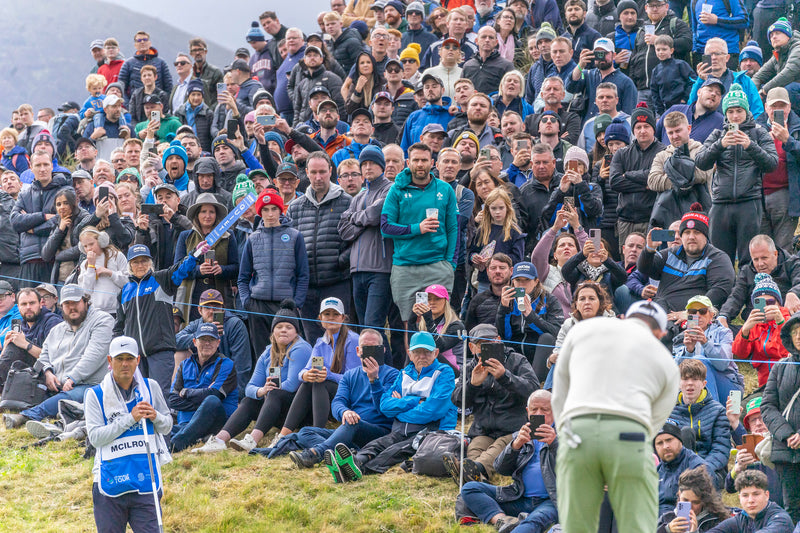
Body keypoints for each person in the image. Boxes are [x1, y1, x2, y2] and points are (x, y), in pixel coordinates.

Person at [551, 300, 680, 533]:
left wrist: (566, 432)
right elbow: (656, 419)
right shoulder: (665, 359)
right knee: (637, 525)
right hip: (630, 432)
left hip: (577, 428)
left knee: (576, 526)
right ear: (660, 333)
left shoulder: (583, 330)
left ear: (623, 319)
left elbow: (559, 392)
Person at [325, 331, 457, 481]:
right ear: (410, 353)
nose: (422, 356)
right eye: (417, 352)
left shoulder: (444, 373)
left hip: (430, 430)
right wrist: (414, 401)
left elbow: (433, 410)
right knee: (377, 444)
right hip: (400, 429)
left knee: (394, 450)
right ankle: (353, 462)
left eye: (426, 352)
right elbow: (385, 406)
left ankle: (358, 469)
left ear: (436, 353)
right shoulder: (404, 373)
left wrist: (399, 409)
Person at [193, 301, 312, 453]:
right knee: (249, 400)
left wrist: (269, 390)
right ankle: (219, 440)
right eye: (279, 327)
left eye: (289, 327)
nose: (283, 330)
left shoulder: (301, 348)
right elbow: (250, 387)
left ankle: (252, 440)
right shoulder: (268, 352)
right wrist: (261, 391)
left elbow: (292, 385)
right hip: (276, 407)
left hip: (299, 411)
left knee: (275, 393)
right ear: (273, 331)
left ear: (296, 332)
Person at [84, 336, 172, 533]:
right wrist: (130, 419)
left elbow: (167, 427)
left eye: (130, 358)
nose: (125, 364)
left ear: (138, 361)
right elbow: (96, 438)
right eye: (119, 358)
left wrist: (156, 416)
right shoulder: (95, 394)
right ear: (109, 361)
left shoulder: (151, 387)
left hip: (145, 481)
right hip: (110, 483)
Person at [3, 284, 114, 429]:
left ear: (86, 301)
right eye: (67, 303)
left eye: (75, 302)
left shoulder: (102, 321)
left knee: (69, 397)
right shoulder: (58, 329)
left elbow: (94, 355)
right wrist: (48, 372)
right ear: (62, 305)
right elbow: (44, 356)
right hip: (56, 384)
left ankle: (26, 416)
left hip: (89, 384)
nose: (71, 307)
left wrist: (72, 378)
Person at [287, 328, 400, 469]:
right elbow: (338, 402)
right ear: (358, 350)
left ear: (382, 350)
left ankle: (315, 453)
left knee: (353, 423)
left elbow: (385, 410)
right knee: (306, 432)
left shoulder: (394, 375)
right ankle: (345, 451)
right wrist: (344, 412)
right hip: (350, 427)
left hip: (379, 431)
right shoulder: (350, 375)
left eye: (374, 347)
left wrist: (374, 380)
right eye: (366, 347)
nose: (370, 350)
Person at [696, 84, 778, 264]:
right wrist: (720, 145)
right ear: (725, 113)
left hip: (749, 202)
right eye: (730, 111)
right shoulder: (718, 134)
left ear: (746, 111)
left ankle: (747, 292)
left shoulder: (759, 132)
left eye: (739, 110)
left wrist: (750, 145)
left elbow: (772, 163)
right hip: (720, 204)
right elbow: (701, 162)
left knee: (748, 260)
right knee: (719, 260)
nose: (735, 116)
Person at [456, 389, 558, 532]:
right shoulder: (521, 435)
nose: (538, 413)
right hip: (519, 496)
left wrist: (554, 443)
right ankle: (503, 520)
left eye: (545, 410)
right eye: (534, 409)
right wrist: (515, 446)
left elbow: (577, 468)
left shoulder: (565, 435)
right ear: (528, 411)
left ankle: (517, 523)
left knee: (534, 522)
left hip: (550, 501)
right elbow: (500, 468)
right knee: (469, 488)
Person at [448, 325, 538, 482]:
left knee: (498, 448)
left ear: (499, 341)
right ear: (472, 347)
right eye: (481, 344)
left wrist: (505, 377)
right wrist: (472, 385)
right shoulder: (470, 368)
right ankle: (475, 477)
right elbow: (457, 401)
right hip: (484, 429)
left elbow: (534, 390)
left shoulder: (516, 360)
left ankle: (473, 472)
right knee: (475, 448)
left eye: (490, 342)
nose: (485, 348)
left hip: (513, 428)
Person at [381, 143, 458, 326]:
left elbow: (453, 228)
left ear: (432, 163)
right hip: (406, 267)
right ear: (408, 162)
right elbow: (386, 227)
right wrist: (417, 228)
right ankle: (411, 357)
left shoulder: (445, 189)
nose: (420, 164)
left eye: (424, 160)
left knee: (440, 323)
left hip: (438, 266)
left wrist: (450, 264)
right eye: (416, 160)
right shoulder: (397, 189)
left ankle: (440, 355)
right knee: (410, 323)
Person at [113, 243, 200, 401]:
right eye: (136, 262)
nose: (140, 265)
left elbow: (181, 269)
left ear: (150, 263)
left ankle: (164, 426)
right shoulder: (124, 291)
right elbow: (119, 327)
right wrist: (116, 353)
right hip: (135, 356)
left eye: (144, 261)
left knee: (159, 397)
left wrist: (195, 254)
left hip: (160, 352)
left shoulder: (162, 279)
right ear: (130, 265)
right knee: (138, 398)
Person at [287, 152, 352, 341]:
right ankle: (316, 372)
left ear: (331, 171)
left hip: (337, 282)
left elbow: (355, 240)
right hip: (307, 286)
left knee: (339, 338)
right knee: (312, 339)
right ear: (306, 173)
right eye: (313, 172)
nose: (318, 177)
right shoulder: (296, 207)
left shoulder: (347, 201)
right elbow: (291, 245)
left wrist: (340, 261)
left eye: (323, 172)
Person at [276, 297, 360, 442]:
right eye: (327, 314)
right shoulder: (321, 342)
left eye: (335, 314)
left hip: (351, 396)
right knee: (311, 381)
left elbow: (355, 379)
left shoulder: (353, 340)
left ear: (343, 318)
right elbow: (303, 371)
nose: (331, 318)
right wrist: (306, 375)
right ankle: (282, 436)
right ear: (320, 318)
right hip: (328, 393)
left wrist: (329, 375)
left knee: (320, 382)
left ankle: (315, 435)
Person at [238, 189, 309, 359]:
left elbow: (303, 274)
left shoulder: (294, 236)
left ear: (280, 210)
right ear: (260, 211)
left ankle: (286, 385)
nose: (270, 214)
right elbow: (243, 277)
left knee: (288, 353)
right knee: (263, 354)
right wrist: (247, 302)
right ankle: (266, 385)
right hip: (258, 305)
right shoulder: (253, 239)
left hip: (285, 305)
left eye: (274, 209)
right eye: (265, 209)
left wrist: (297, 302)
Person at [638, 206, 735, 315]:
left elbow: (720, 290)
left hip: (696, 318)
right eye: (687, 232)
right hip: (663, 314)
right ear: (682, 235)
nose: (691, 237)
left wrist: (691, 312)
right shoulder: (669, 253)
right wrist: (649, 249)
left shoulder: (717, 257)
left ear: (706, 236)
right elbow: (644, 268)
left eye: (697, 232)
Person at [168, 323, 237, 453]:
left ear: (218, 343)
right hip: (186, 424)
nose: (207, 343)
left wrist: (187, 392)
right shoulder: (184, 364)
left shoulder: (226, 364)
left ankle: (175, 445)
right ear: (194, 342)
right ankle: (195, 436)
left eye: (211, 340)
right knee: (160, 428)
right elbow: (172, 399)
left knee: (211, 401)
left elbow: (216, 395)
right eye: (203, 339)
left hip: (216, 423)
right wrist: (202, 401)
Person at [174, 288, 251, 400]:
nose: (211, 311)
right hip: (203, 377)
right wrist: (201, 334)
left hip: (227, 378)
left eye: (216, 307)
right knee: (179, 353)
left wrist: (237, 397)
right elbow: (174, 341)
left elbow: (242, 366)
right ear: (200, 310)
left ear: (223, 309)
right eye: (207, 307)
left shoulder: (235, 325)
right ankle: (176, 398)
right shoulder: (198, 324)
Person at [173, 193, 239, 322]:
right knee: (196, 333)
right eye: (203, 211)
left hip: (220, 296)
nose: (207, 216)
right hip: (193, 295)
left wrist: (222, 270)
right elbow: (177, 269)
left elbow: (236, 267)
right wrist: (198, 270)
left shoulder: (228, 235)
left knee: (219, 329)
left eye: (211, 212)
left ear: (216, 215)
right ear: (197, 214)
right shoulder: (185, 236)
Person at [761, 311, 800, 523]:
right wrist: (787, 435)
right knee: (791, 508)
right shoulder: (780, 367)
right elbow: (767, 406)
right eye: (796, 332)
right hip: (786, 451)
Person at [10, 150, 71, 286]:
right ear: (31, 168)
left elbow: (62, 220)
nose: (42, 169)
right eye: (38, 165)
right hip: (29, 259)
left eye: (45, 164)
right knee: (28, 305)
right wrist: (43, 216)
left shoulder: (65, 191)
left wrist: (32, 229)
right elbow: (15, 221)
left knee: (53, 304)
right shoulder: (24, 194)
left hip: (55, 258)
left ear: (51, 166)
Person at [610, 105, 667, 249]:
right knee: (627, 261)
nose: (642, 131)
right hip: (625, 221)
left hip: (653, 221)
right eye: (638, 127)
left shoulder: (664, 151)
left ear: (653, 128)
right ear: (633, 129)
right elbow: (615, 182)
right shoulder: (622, 153)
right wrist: (646, 185)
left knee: (652, 260)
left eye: (646, 126)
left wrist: (628, 175)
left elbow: (660, 179)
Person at [670, 359, 732, 487]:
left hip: (710, 469)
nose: (690, 384)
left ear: (704, 383)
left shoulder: (718, 411)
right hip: (678, 470)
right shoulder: (668, 410)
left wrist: (702, 468)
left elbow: (721, 448)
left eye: (695, 379)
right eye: (685, 379)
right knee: (685, 433)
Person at [647, 111, 714, 230]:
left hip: (700, 214)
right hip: (668, 217)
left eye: (678, 131)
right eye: (670, 133)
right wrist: (685, 177)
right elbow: (653, 181)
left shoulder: (702, 151)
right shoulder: (661, 156)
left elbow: (703, 174)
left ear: (688, 129)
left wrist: (671, 174)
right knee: (667, 247)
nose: (674, 136)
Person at [754, 87, 800, 251]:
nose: (778, 110)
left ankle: (784, 277)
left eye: (782, 106)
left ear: (789, 107)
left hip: (785, 193)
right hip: (757, 194)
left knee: (782, 249)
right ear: (766, 107)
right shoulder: (755, 127)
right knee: (762, 248)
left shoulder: (797, 127)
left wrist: (788, 140)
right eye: (774, 106)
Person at [673, 295, 742, 404]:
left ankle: (710, 412)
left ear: (711, 315)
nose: (698, 315)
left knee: (700, 360)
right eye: (693, 312)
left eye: (702, 311)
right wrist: (689, 350)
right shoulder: (682, 337)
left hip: (730, 388)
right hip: (693, 390)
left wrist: (706, 343)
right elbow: (676, 372)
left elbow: (723, 364)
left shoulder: (724, 332)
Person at [732, 273, 791, 388]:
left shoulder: (789, 321)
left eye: (770, 302)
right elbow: (740, 354)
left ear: (779, 303)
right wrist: (744, 331)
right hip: (765, 384)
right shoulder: (755, 324)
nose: (766, 307)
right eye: (760, 303)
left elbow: (786, 352)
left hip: (788, 380)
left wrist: (780, 323)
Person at [0, 288, 62, 391]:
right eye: (24, 304)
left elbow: (56, 359)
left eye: (32, 303)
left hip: (51, 374)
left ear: (41, 304)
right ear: (18, 307)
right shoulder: (23, 325)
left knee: (15, 345)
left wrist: (25, 345)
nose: (28, 307)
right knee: (12, 342)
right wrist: (6, 347)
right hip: (26, 374)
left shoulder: (52, 322)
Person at [530, 212, 588, 316]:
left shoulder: (585, 270)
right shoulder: (547, 272)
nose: (566, 247)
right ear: (555, 255)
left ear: (579, 252)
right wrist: (555, 229)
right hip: (557, 326)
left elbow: (591, 253)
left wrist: (576, 226)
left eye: (571, 245)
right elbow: (537, 256)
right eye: (562, 245)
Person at [567, 38, 637, 122]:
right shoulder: (587, 75)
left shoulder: (626, 82)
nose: (601, 57)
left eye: (605, 53)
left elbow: (628, 114)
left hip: (612, 128)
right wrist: (580, 65)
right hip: (589, 126)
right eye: (597, 53)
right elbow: (570, 87)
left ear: (614, 55)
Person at [707, 471, 794, 532]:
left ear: (767, 495)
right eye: (745, 495)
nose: (750, 500)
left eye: (756, 494)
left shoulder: (781, 519)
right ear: (739, 498)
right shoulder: (741, 519)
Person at [653, 420, 707, 515]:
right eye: (660, 443)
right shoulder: (656, 472)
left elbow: (703, 509)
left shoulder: (697, 468)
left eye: (669, 440)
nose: (665, 446)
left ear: (680, 441)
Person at [656, 465, 731, 533]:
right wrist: (666, 530)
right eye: (685, 500)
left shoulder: (715, 522)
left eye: (695, 502)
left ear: (703, 501)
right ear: (679, 494)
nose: (690, 506)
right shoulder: (667, 519)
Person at [410, 284, 465, 373]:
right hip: (428, 370)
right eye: (428, 299)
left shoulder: (457, 326)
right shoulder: (421, 325)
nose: (432, 302)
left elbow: (439, 347)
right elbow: (411, 345)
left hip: (453, 372)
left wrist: (428, 319)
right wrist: (412, 319)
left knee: (429, 350)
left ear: (446, 301)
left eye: (437, 299)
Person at [76, 226, 128, 317]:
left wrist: (110, 273)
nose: (89, 248)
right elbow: (86, 291)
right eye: (85, 246)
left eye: (91, 244)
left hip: (117, 309)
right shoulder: (85, 264)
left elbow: (127, 281)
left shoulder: (116, 256)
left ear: (101, 241)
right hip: (95, 312)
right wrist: (91, 267)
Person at [650, 35, 696, 116]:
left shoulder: (681, 65)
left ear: (671, 50)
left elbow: (692, 81)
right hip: (666, 110)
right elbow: (654, 92)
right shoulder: (655, 71)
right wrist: (660, 110)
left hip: (683, 107)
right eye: (658, 50)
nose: (661, 52)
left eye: (664, 49)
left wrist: (684, 99)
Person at [752, 18, 800, 95]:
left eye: (777, 33)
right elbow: (758, 77)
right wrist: (753, 93)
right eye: (771, 35)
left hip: (793, 88)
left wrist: (765, 90)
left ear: (788, 35)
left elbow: (789, 73)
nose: (774, 37)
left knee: (789, 89)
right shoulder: (777, 54)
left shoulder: (797, 47)